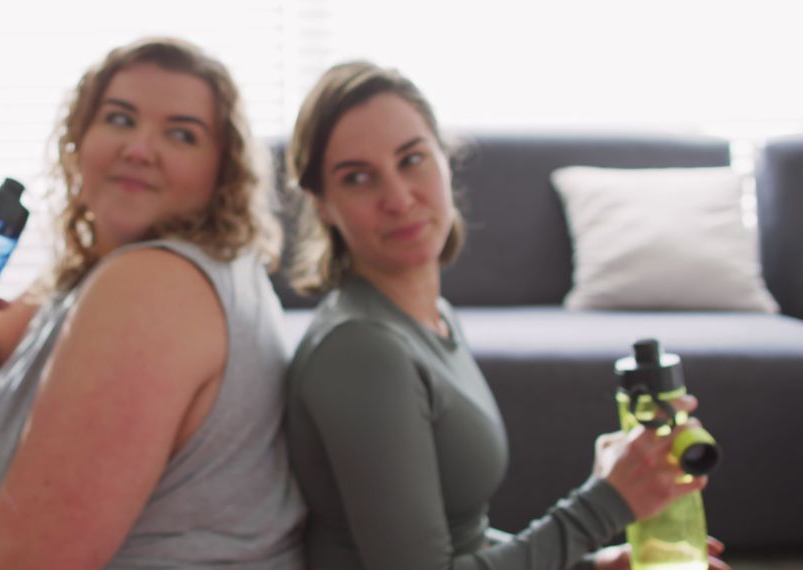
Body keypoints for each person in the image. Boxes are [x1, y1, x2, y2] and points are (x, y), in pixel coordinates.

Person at [282, 61, 728, 570]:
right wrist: (606, 502)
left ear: (445, 160)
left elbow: (459, 538)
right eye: (358, 178)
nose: (399, 198)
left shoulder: (431, 318)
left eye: (412, 159)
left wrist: (595, 566)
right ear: (321, 205)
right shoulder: (361, 351)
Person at [0, 37, 304, 569]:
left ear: (221, 173)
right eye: (119, 119)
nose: (139, 148)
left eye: (181, 134)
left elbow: (34, 554)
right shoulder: (93, 270)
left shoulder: (156, 284)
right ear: (79, 138)